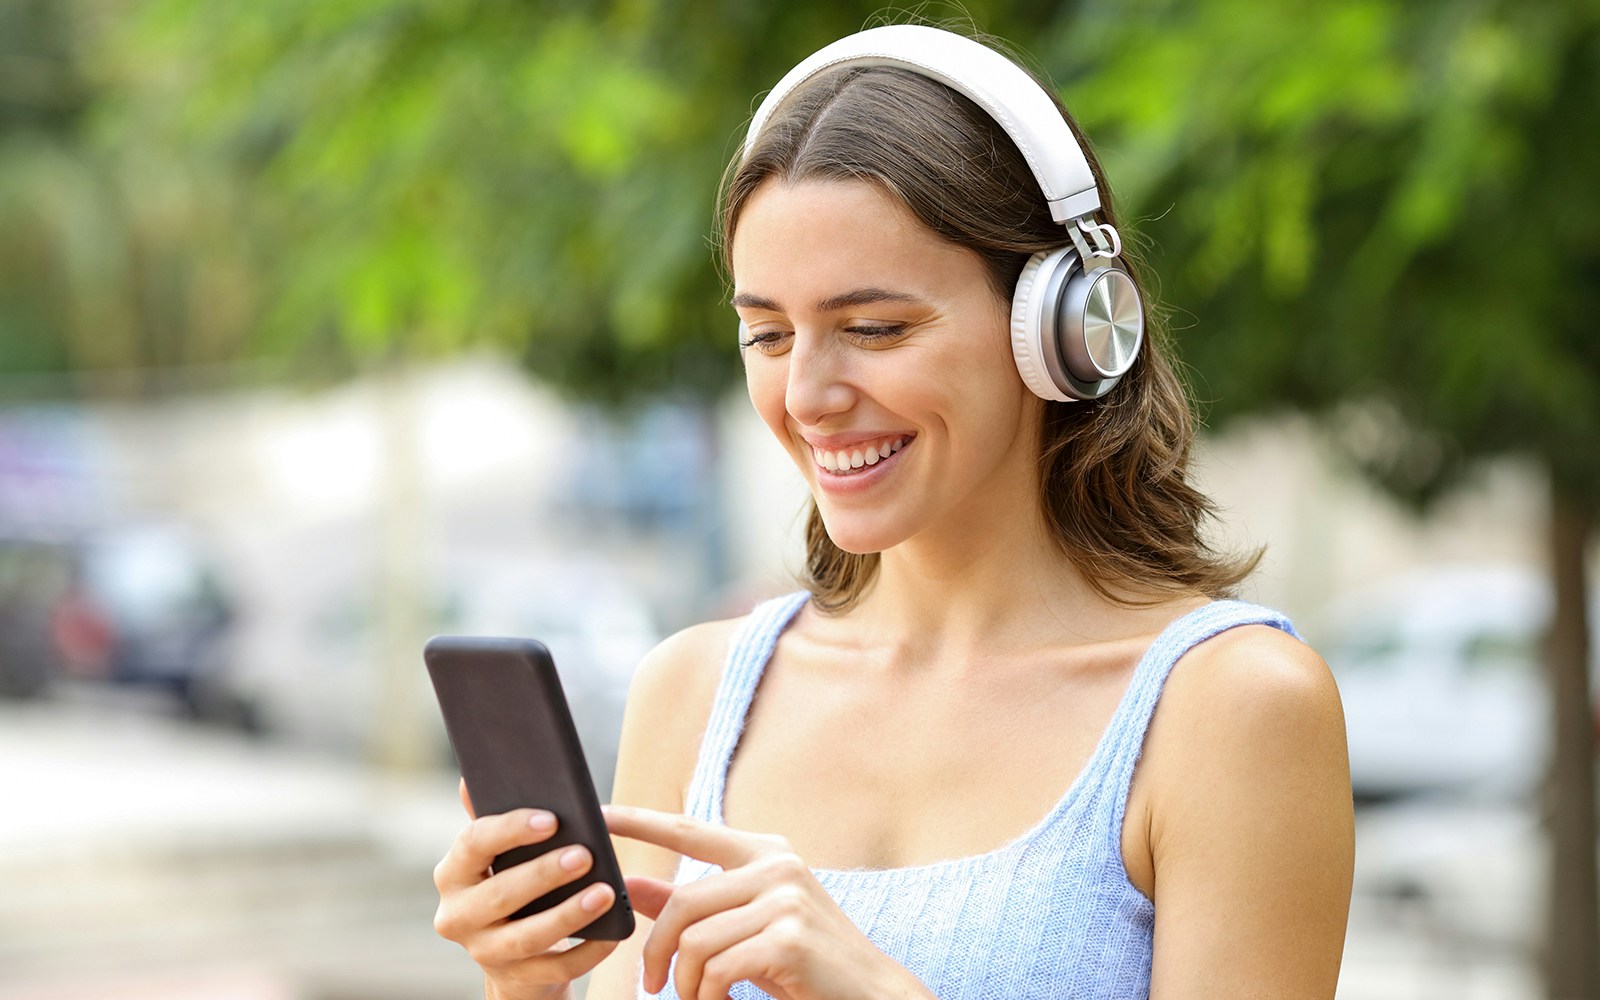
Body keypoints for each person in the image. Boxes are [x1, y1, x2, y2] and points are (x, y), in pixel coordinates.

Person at [431, 23, 1354, 1000]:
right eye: (768, 334)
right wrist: (524, 986)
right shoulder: (691, 695)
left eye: (873, 328)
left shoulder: (1230, 708)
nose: (808, 395)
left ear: (1062, 326)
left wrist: (868, 986)